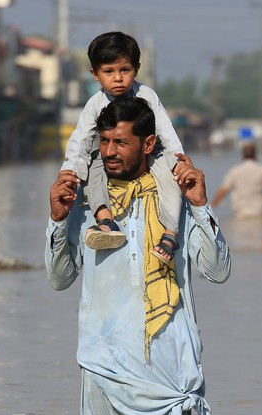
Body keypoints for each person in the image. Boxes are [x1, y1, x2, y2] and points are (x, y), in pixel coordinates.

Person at [45, 97, 231, 415]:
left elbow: (218, 271)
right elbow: (59, 278)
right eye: (103, 141)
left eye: (121, 142)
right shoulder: (82, 203)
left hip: (168, 369)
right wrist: (56, 221)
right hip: (103, 366)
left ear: (148, 144)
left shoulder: (174, 203)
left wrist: (202, 206)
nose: (109, 152)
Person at [61, 31, 183, 264]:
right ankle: (105, 219)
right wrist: (70, 174)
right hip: (102, 156)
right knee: (91, 170)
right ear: (94, 74)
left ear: (136, 69)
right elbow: (80, 142)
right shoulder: (94, 105)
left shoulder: (147, 96)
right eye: (109, 72)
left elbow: (167, 133)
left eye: (124, 70)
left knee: (171, 179)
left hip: (151, 152)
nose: (118, 78)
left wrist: (178, 162)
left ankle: (170, 234)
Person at [211, 143, 262, 219]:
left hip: (241, 212)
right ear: (255, 155)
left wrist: (211, 207)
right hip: (260, 210)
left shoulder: (234, 171)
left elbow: (223, 191)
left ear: (242, 156)